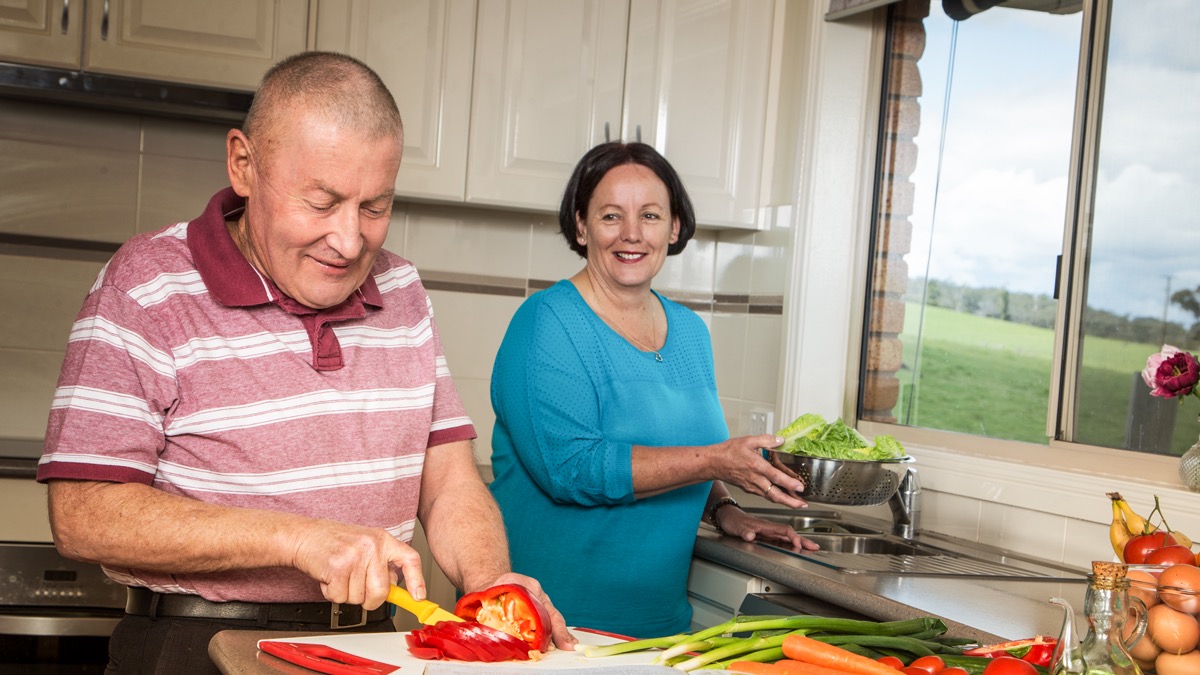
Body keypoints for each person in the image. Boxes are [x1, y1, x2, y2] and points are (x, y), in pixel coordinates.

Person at [37, 51, 572, 673]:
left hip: (375, 644)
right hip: (197, 644)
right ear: (244, 165)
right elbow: (84, 512)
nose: (349, 241)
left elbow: (448, 480)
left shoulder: (403, 291)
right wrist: (300, 539)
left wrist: (490, 585)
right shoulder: (145, 286)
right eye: (321, 203)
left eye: (374, 207)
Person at [488, 141, 820, 638]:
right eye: (610, 216)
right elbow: (571, 470)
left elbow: (685, 445)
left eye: (649, 215)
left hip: (661, 628)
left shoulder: (690, 332)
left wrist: (724, 507)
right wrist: (714, 461)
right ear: (581, 227)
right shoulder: (546, 323)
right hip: (544, 627)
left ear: (674, 227)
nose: (632, 234)